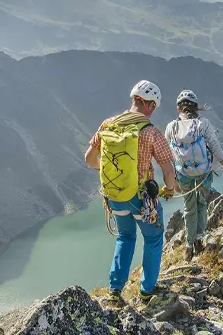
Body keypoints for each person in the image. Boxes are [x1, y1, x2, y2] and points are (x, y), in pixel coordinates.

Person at [85, 80, 176, 302]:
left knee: (125, 237)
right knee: (153, 238)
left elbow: (89, 159)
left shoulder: (107, 124)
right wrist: (169, 189)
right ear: (151, 105)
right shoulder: (151, 132)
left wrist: (114, 172)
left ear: (133, 99)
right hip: (141, 199)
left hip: (115, 195)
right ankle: (147, 290)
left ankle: (115, 290)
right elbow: (168, 168)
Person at [165, 90, 223, 261]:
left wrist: (173, 181)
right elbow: (216, 149)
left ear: (179, 109)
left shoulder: (171, 127)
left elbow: (168, 156)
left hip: (183, 174)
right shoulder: (203, 124)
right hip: (204, 173)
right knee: (201, 205)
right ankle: (199, 239)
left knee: (189, 208)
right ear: (195, 108)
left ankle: (188, 247)